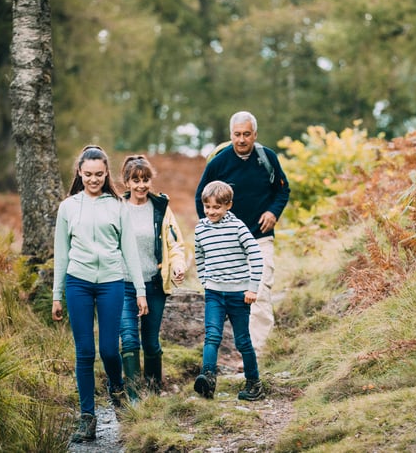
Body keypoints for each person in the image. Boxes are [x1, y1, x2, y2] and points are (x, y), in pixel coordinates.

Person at [52, 145, 148, 443]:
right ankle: (87, 418)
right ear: (79, 173)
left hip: (111, 282)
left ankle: (116, 389)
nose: (93, 179)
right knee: (84, 353)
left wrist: (141, 291)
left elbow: (130, 252)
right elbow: (61, 253)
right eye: (88, 174)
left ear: (106, 174)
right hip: (77, 283)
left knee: (109, 349)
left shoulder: (117, 206)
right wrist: (57, 295)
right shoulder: (68, 207)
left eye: (99, 174)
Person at [194, 111, 291, 354]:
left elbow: (282, 190)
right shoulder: (219, 162)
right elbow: (200, 198)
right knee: (236, 297)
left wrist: (273, 213)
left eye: (247, 134)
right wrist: (211, 231)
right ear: (231, 135)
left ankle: (259, 356)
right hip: (229, 242)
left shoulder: (266, 157)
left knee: (259, 292)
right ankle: (241, 351)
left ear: (255, 135)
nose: (241, 139)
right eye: (237, 134)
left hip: (260, 237)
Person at [118, 155, 187, 401]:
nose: (141, 185)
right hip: (123, 285)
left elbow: (175, 243)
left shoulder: (161, 208)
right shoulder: (117, 208)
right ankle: (136, 399)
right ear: (126, 182)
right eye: (135, 180)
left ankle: (154, 394)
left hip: (154, 285)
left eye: (145, 179)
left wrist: (178, 265)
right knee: (128, 340)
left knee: (150, 342)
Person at [193, 180, 265, 401]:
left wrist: (252, 288)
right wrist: (205, 279)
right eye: (207, 207)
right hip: (214, 293)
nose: (211, 211)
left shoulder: (238, 227)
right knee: (212, 336)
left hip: (238, 294)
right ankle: (207, 377)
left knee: (242, 340)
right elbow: (200, 256)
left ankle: (254, 382)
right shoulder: (200, 228)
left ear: (228, 205)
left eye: (216, 207)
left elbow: (256, 254)